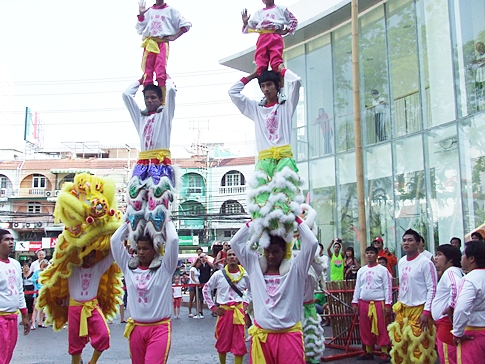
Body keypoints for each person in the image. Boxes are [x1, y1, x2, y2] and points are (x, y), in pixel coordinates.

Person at [230, 204, 318, 364]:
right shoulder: (254, 265)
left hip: (290, 336)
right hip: (262, 338)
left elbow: (312, 243)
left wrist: (295, 218)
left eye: (276, 251)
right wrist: (254, 221)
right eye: (267, 251)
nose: (271, 256)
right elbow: (235, 243)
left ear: (284, 251)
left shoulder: (296, 268)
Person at [228, 66, 303, 251]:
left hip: (284, 159)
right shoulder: (255, 108)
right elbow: (233, 92)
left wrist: (282, 70)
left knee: (283, 206)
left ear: (278, 86)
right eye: (262, 86)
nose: (266, 89)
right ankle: (264, 248)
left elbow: (297, 82)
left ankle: (286, 248)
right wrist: (252, 75)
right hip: (263, 162)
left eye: (269, 84)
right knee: (260, 206)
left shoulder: (286, 106)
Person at [122, 73, 177, 253]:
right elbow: (126, 95)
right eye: (146, 98)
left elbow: (171, 91)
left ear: (161, 100)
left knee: (158, 210)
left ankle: (159, 251)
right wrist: (141, 79)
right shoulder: (141, 117)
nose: (149, 101)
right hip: (142, 166)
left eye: (153, 97)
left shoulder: (165, 115)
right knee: (135, 209)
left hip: (160, 166)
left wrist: (164, 76)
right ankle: (137, 250)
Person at [111, 220, 179, 364]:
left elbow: (173, 240)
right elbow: (115, 240)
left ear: (155, 249)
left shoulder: (165, 267)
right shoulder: (128, 267)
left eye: (145, 248)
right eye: (138, 248)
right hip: (136, 329)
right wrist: (131, 220)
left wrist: (164, 219)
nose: (141, 252)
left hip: (159, 328)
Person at [54, 250, 116, 364]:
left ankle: (92, 362)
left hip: (92, 307)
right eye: (86, 254)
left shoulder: (98, 267)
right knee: (74, 341)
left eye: (92, 254)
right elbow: (62, 254)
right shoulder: (71, 267)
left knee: (104, 335)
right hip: (74, 308)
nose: (89, 257)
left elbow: (112, 255)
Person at [388, 229, 438, 364]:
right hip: (403, 309)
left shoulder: (426, 262)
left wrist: (426, 312)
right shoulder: (402, 261)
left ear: (418, 243)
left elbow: (432, 288)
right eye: (404, 240)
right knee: (400, 346)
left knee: (420, 348)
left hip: (420, 310)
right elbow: (403, 285)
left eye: (410, 240)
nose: (406, 243)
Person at [136, 0, 191, 102]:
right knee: (147, 72)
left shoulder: (171, 11)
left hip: (162, 43)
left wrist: (174, 36)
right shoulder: (149, 11)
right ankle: (148, 103)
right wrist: (141, 14)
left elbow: (186, 25)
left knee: (161, 71)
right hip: (150, 43)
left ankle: (162, 102)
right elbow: (140, 29)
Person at [202, 249, 251, 364]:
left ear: (238, 257)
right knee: (222, 342)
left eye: (234, 254)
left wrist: (245, 303)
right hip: (224, 313)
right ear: (226, 258)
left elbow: (251, 290)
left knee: (239, 344)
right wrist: (213, 307)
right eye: (229, 255)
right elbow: (206, 289)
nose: (232, 257)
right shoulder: (218, 275)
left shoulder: (245, 275)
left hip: (238, 314)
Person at [352, 246, 392, 363]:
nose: (369, 255)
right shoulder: (361, 271)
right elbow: (358, 287)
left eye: (371, 253)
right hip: (364, 303)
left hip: (379, 303)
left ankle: (384, 352)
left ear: (376, 255)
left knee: (381, 328)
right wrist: (355, 302)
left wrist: (388, 304)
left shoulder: (383, 270)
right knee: (365, 328)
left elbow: (387, 287)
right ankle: (368, 351)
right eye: (367, 253)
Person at [241, 1, 297, 76]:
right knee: (260, 65)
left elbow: (293, 20)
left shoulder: (281, 9)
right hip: (262, 38)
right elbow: (248, 28)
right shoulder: (259, 13)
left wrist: (286, 31)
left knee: (277, 63)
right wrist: (245, 23)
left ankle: (284, 82)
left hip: (275, 37)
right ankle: (251, 82)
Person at [0, 229, 31, 364]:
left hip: (13, 316)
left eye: (12, 239)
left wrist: (24, 315)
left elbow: (19, 290)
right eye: (7, 240)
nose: (11, 242)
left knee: (8, 353)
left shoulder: (15, 264)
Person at [452, 241, 485, 363]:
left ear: (471, 259)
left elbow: (461, 308)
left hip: (474, 332)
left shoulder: (469, 279)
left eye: (463, 254)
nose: (461, 258)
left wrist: (457, 332)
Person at [431, 244, 463, 364]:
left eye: (439, 254)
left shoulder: (451, 271)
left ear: (450, 260)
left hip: (446, 324)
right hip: (444, 323)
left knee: (448, 358)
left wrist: (451, 307)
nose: (436, 258)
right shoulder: (452, 272)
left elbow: (456, 287)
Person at [31, 259, 49, 329]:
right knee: (35, 307)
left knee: (43, 308)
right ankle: (33, 323)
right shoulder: (36, 272)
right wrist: (36, 280)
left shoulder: (47, 273)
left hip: (45, 291)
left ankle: (40, 322)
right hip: (38, 291)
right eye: (43, 266)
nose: (44, 267)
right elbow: (32, 280)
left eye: (45, 266)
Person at [472, 42, 485, 111]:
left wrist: (480, 61)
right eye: (477, 48)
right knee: (480, 95)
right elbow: (474, 65)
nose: (479, 49)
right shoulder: (476, 57)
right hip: (479, 79)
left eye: (480, 47)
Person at [22, 262, 35, 330]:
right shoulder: (21, 275)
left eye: (27, 266)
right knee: (24, 306)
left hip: (31, 291)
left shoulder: (32, 274)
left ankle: (30, 319)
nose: (25, 268)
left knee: (30, 306)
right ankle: (24, 319)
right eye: (24, 267)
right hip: (24, 291)